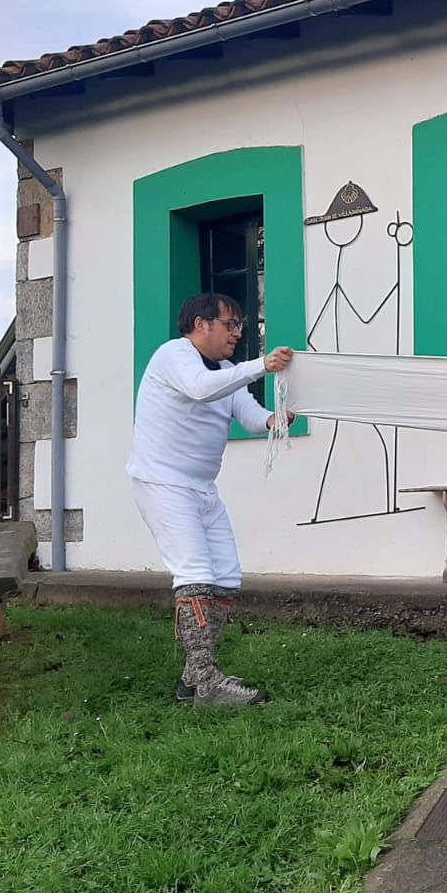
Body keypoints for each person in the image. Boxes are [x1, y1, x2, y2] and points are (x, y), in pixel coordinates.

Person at [127, 292, 295, 707]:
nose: (238, 333)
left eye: (239, 325)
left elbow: (250, 414)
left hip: (201, 488)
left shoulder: (225, 370)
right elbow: (201, 390)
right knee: (196, 573)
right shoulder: (173, 356)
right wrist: (262, 365)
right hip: (163, 483)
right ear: (201, 325)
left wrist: (276, 420)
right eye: (231, 324)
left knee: (226, 576)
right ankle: (206, 683)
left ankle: (193, 678)